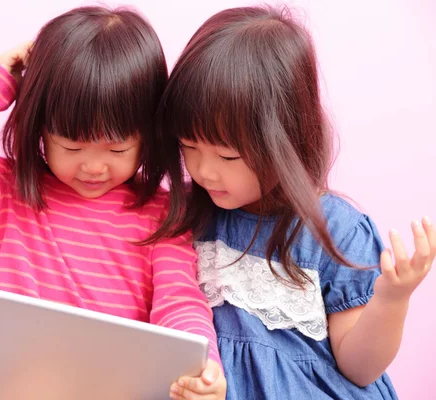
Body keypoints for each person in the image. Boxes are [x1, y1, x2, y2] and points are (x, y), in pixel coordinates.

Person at [0, 6, 225, 400]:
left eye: (117, 148)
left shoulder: (163, 215)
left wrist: (201, 367)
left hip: (111, 390)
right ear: (39, 129)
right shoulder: (11, 192)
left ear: (148, 136)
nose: (93, 166)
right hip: (5, 385)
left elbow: (178, 301)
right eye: (71, 146)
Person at [155, 6, 434, 400]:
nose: (204, 170)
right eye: (188, 146)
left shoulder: (333, 230)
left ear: (286, 139)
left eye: (228, 156)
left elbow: (360, 368)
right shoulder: (189, 214)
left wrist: (392, 298)